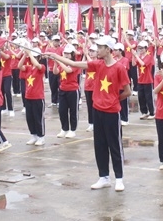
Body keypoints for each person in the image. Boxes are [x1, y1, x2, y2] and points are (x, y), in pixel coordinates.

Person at [50, 35, 131, 192]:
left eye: (100, 47)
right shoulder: (97, 64)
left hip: (112, 112)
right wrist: (55, 56)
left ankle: (119, 179)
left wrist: (113, 100)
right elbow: (74, 63)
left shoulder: (119, 67)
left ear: (108, 50)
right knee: (99, 145)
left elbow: (127, 91)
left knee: (114, 145)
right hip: (98, 110)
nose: (97, 50)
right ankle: (104, 177)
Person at [18, 40, 46, 146]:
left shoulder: (41, 68)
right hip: (28, 96)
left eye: (33, 56)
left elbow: (38, 65)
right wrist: (25, 54)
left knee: (38, 118)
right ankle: (33, 135)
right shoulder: (29, 68)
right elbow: (19, 66)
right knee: (30, 118)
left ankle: (41, 136)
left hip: (38, 97)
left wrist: (30, 53)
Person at [55, 44, 81, 138]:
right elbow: (55, 72)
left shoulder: (75, 63)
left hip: (72, 90)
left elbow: (68, 70)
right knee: (62, 110)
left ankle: (73, 129)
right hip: (62, 89)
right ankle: (64, 128)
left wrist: (58, 60)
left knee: (73, 111)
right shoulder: (62, 64)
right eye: (65, 53)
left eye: (68, 54)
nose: (66, 55)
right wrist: (55, 63)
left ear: (72, 54)